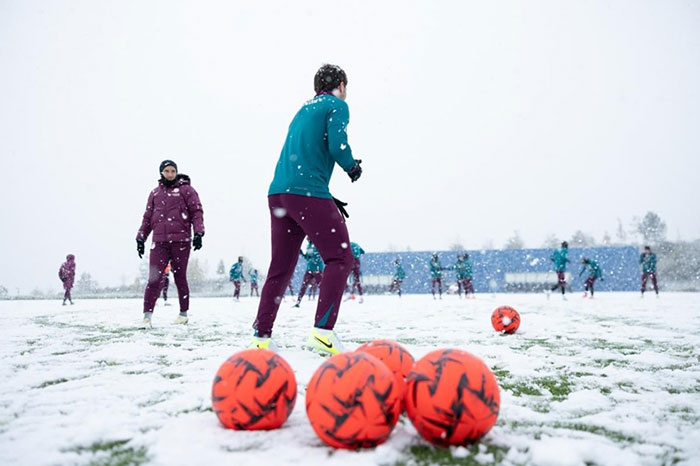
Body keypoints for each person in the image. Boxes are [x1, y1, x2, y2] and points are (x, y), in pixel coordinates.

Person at [250, 64, 362, 355]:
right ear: (340, 84)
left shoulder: (304, 109)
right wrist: (352, 166)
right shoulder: (336, 105)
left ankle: (261, 338)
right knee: (341, 257)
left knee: (281, 267)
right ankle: (323, 333)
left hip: (279, 193)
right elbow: (338, 146)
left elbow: (305, 152)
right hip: (307, 191)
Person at [136, 160, 204, 328]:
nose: (170, 174)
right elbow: (147, 218)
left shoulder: (186, 190)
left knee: (180, 278)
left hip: (181, 242)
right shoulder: (154, 194)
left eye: (173, 171)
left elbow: (196, 211)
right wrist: (140, 238)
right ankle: (147, 317)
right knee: (154, 279)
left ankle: (183, 314)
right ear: (161, 173)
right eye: (166, 171)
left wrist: (199, 232)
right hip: (159, 243)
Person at [294, 240, 324, 307]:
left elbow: (321, 255)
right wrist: (302, 254)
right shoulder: (308, 245)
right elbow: (307, 257)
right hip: (309, 269)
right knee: (303, 286)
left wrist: (314, 256)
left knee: (321, 286)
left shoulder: (317, 243)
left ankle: (326, 301)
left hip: (317, 269)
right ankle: (298, 302)